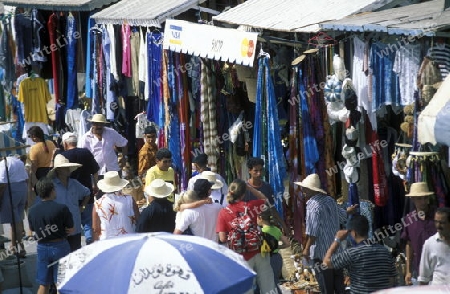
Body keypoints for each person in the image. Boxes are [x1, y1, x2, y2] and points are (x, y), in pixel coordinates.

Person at [295, 173, 357, 294]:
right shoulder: (329, 200)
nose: (303, 191)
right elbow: (342, 216)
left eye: (304, 188)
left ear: (309, 190)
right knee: (339, 286)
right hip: (336, 251)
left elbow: (313, 231)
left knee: (326, 286)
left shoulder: (312, 205)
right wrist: (349, 211)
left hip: (321, 254)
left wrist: (306, 249)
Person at [216, 179, 277, 294]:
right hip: (259, 251)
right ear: (243, 193)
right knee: (268, 286)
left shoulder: (223, 212)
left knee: (246, 289)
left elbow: (222, 238)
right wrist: (250, 187)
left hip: (240, 256)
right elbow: (266, 200)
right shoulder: (252, 206)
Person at [322, 215, 397, 293]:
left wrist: (337, 239)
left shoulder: (352, 253)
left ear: (354, 233)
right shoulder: (384, 251)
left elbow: (325, 263)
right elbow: (392, 279)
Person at [28, 177, 74, 294]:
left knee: (43, 285)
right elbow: (71, 229)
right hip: (60, 246)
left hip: (42, 247)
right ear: (52, 190)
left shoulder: (32, 210)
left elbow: (32, 230)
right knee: (61, 284)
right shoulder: (62, 208)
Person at [60, 132, 100, 245]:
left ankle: (74, 247)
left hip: (70, 196)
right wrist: (95, 185)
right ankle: (90, 243)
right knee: (88, 222)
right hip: (87, 193)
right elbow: (95, 171)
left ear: (65, 143)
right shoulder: (86, 153)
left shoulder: (63, 156)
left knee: (72, 223)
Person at [47, 154, 90, 252]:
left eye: (68, 167)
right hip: (59, 227)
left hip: (75, 225)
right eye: (64, 167)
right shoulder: (51, 185)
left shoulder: (74, 183)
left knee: (75, 253)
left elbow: (87, 193)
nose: (68, 169)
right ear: (58, 170)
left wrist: (82, 206)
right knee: (62, 255)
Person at [244, 157, 290, 236]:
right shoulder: (244, 188)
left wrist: (283, 225)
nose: (259, 173)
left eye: (261, 170)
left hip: (265, 231)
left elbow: (272, 207)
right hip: (248, 231)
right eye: (256, 171)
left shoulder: (266, 186)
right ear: (249, 171)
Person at [401, 182, 436, 285]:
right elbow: (409, 244)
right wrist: (408, 271)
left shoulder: (437, 215)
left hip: (438, 269)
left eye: (425, 198)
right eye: (419, 198)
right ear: (413, 199)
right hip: (419, 269)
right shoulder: (409, 219)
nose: (423, 201)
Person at [92, 171, 139, 240]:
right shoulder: (130, 200)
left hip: (107, 242)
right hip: (129, 240)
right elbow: (138, 220)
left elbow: (95, 229)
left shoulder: (98, 203)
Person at [79, 113, 128, 179]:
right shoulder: (85, 138)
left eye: (101, 124)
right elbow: (82, 155)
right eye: (97, 124)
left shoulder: (111, 133)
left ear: (104, 124)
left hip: (113, 169)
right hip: (96, 172)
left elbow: (124, 143)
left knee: (116, 188)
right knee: (99, 189)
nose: (99, 126)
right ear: (92, 124)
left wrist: (124, 158)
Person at [0, 155, 28, 257]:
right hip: (22, 189)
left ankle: (20, 248)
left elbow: (2, 183)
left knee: (15, 222)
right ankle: (14, 247)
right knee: (17, 221)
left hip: (12, 190)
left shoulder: (3, 164)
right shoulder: (18, 161)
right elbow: (26, 178)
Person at [257, 208, 290, 291]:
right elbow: (287, 243)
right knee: (275, 281)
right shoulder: (276, 229)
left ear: (260, 218)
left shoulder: (261, 231)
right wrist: (276, 247)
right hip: (277, 258)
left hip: (266, 259)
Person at [418, 207, 450, 285]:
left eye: (442, 222)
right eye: (436, 222)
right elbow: (423, 278)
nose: (438, 226)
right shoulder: (429, 243)